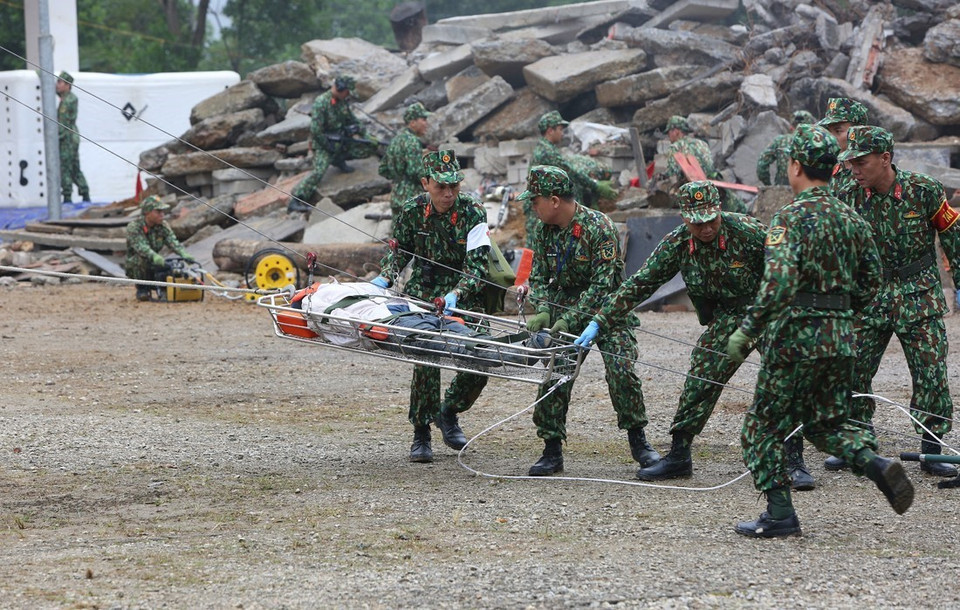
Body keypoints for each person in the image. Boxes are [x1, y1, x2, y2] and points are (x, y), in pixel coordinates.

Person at [726, 124, 912, 538]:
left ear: (794, 166)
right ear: (832, 168)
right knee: (825, 424)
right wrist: (841, 315)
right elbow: (871, 282)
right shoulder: (853, 218)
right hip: (842, 338)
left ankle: (779, 513)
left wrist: (746, 331)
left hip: (796, 338)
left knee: (762, 426)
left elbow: (777, 284)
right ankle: (874, 463)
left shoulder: (789, 218)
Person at [574, 181, 824, 486]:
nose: (706, 228)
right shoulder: (677, 243)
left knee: (786, 379)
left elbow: (789, 270)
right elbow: (639, 284)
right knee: (700, 379)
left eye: (711, 219)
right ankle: (679, 455)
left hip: (765, 310)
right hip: (726, 317)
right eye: (697, 222)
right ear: (684, 218)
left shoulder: (749, 231)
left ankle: (793, 461)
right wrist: (600, 321)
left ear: (719, 210)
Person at [828, 125, 959, 478]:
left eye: (861, 162)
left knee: (930, 370)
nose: (854, 169)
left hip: (918, 293)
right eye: (851, 162)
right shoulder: (847, 196)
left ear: (885, 159)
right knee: (853, 368)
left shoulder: (924, 190)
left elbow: (953, 241)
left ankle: (932, 448)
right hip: (869, 296)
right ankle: (859, 441)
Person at [519, 165, 658, 476]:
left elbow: (602, 284)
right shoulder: (543, 230)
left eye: (535, 200)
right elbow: (538, 274)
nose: (532, 206)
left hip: (608, 309)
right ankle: (551, 449)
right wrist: (541, 307)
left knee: (621, 370)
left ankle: (640, 442)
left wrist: (572, 319)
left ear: (554, 200)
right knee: (556, 376)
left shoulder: (599, 226)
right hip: (564, 309)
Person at [370, 150, 491, 463]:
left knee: (483, 354)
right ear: (425, 183)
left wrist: (457, 293)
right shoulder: (412, 211)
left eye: (454, 185)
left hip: (463, 292)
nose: (449, 193)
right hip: (422, 291)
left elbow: (478, 265)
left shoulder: (473, 211)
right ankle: (421, 432)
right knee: (426, 356)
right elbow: (399, 253)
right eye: (441, 186)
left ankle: (448, 411)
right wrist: (385, 277)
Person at [288, 75, 377, 213]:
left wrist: (367, 137)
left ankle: (339, 159)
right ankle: (296, 199)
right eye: (347, 92)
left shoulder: (342, 102)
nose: (348, 95)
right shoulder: (321, 103)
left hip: (341, 141)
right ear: (340, 89)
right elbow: (316, 131)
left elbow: (353, 121)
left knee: (367, 148)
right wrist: (327, 146)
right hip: (324, 144)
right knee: (318, 172)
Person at [525, 111, 615, 238]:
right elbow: (569, 172)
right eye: (560, 129)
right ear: (550, 130)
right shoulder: (547, 152)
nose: (562, 133)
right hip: (542, 208)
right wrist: (595, 185)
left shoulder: (545, 148)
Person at [659, 115, 746, 213]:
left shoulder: (675, 147)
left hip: (695, 191)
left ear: (676, 131)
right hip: (714, 185)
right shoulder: (702, 143)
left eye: (669, 132)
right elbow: (709, 165)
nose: (668, 136)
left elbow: (673, 172)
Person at [125, 196, 194, 302]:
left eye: (162, 211)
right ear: (147, 213)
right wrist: (155, 256)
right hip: (138, 265)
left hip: (154, 262)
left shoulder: (162, 225)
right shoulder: (134, 227)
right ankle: (142, 289)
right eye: (158, 211)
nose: (162, 214)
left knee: (171, 266)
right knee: (141, 259)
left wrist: (183, 253)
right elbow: (141, 247)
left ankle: (163, 289)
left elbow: (172, 241)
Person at [378, 102, 430, 226]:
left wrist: (398, 178)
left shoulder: (396, 140)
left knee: (397, 237)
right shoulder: (412, 142)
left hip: (396, 196)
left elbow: (383, 169)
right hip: (413, 198)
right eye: (423, 119)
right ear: (412, 122)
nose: (426, 123)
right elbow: (415, 171)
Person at [818, 97, 868, 194]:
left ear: (857, 130)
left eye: (838, 131)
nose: (831, 138)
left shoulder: (872, 172)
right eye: (829, 131)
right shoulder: (832, 169)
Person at [756, 110, 816, 186]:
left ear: (791, 126)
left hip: (783, 189)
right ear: (811, 127)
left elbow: (761, 165)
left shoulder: (780, 141)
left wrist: (768, 185)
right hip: (808, 190)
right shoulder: (817, 144)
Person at [56, 71, 90, 204]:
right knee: (74, 166)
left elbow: (63, 123)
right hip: (69, 136)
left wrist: (57, 138)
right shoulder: (65, 97)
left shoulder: (69, 100)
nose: (57, 85)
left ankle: (67, 196)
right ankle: (84, 191)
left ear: (67, 85)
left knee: (66, 167)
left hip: (67, 137)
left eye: (60, 82)